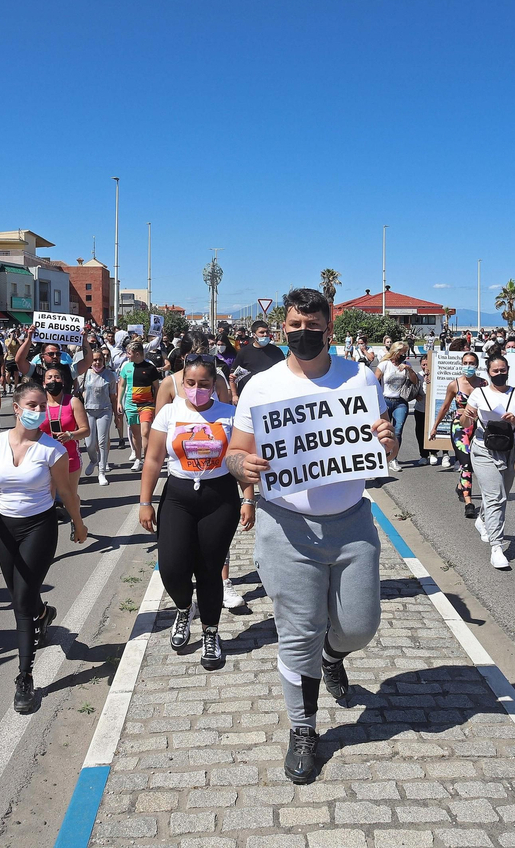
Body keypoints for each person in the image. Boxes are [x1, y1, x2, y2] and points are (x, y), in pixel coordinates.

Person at [226, 288, 398, 785]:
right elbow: (235, 452)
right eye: (294, 325)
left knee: (358, 626)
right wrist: (244, 467)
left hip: (351, 523)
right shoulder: (262, 386)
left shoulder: (359, 376)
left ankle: (334, 655)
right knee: (298, 633)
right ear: (283, 328)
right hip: (287, 527)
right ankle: (303, 729)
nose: (302, 333)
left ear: (329, 329)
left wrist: (387, 438)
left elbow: (378, 435)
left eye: (312, 326)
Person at [0, 382, 87, 713]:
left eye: (41, 407)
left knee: (20, 601)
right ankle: (44, 614)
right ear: (16, 408)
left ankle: (24, 679)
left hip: (39, 527)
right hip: (4, 528)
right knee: (22, 594)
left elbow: (67, 493)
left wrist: (78, 524)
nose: (37, 411)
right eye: (31, 405)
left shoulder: (52, 450)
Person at [139, 355, 253, 671]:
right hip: (178, 496)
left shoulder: (230, 416)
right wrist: (145, 502)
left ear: (215, 384)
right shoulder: (170, 413)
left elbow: (241, 462)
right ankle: (183, 607)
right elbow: (152, 459)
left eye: (204, 384)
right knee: (172, 568)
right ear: (183, 382)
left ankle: (211, 634)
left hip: (220, 498)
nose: (197, 389)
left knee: (209, 570)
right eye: (191, 383)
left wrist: (248, 499)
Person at [458, 353, 515, 569]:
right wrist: (467, 415)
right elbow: (465, 422)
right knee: (495, 497)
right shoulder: (479, 394)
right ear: (488, 373)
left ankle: (483, 519)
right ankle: (497, 547)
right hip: (484, 448)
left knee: (502, 494)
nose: (499, 374)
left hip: (510, 448)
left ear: (508, 370)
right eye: (495, 371)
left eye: (503, 370)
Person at [430, 351, 484, 516]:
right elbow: (445, 407)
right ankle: (469, 503)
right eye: (466, 363)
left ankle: (461, 486)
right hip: (459, 427)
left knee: (472, 463)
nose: (468, 366)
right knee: (466, 462)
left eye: (471, 363)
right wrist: (435, 427)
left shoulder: (483, 383)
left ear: (477, 365)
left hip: (476, 426)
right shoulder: (454, 385)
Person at [39, 362, 89, 507]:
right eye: (49, 378)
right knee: (47, 496)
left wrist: (70, 435)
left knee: (70, 495)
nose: (53, 380)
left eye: (57, 377)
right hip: (45, 458)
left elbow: (86, 430)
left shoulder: (73, 402)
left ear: (63, 382)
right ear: (43, 383)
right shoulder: (39, 405)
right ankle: (49, 528)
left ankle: (77, 525)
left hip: (70, 456)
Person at [376, 342, 421, 473]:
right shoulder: (384, 364)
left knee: (398, 430)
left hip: (401, 401)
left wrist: (408, 369)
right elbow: (374, 381)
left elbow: (415, 381)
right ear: (395, 352)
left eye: (405, 352)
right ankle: (381, 456)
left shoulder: (407, 364)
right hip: (385, 400)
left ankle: (393, 458)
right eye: (401, 352)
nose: (403, 355)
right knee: (384, 430)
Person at [120, 339, 162, 473]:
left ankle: (148, 458)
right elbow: (121, 385)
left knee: (145, 432)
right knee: (135, 434)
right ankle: (138, 459)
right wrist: (119, 402)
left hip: (147, 404)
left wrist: (157, 403)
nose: (127, 355)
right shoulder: (126, 367)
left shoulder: (150, 368)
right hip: (130, 404)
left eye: (129, 353)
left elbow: (157, 387)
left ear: (137, 354)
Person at [80, 352, 120, 485]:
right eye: (95, 360)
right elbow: (79, 390)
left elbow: (113, 397)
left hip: (104, 410)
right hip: (89, 411)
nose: (97, 363)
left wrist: (116, 415)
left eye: (100, 360)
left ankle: (102, 472)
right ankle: (93, 460)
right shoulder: (85, 374)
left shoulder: (110, 375)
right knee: (90, 443)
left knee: (102, 442)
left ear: (104, 361)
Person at [233, 322, 285, 397]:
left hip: (271, 393)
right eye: (261, 332)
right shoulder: (244, 352)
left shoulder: (276, 351)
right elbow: (234, 377)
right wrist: (234, 395)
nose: (265, 334)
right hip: (248, 394)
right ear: (254, 335)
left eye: (267, 332)